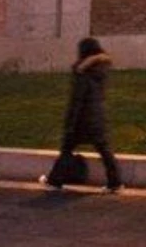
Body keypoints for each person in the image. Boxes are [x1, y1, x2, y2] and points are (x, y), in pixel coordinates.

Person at [39, 36, 123, 194]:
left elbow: (77, 99)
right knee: (104, 150)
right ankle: (115, 183)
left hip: (81, 119)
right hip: (97, 116)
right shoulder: (102, 69)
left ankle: (54, 181)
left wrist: (70, 121)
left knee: (66, 149)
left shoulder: (82, 71)